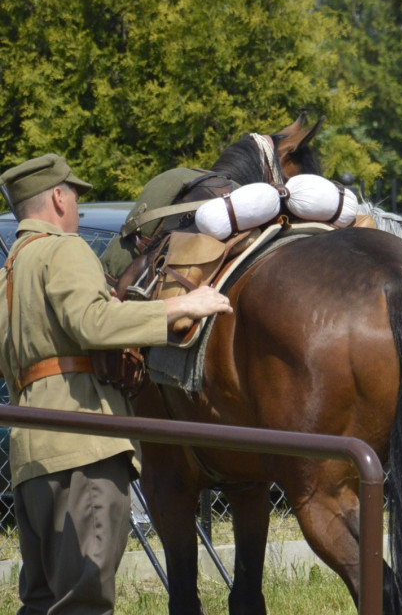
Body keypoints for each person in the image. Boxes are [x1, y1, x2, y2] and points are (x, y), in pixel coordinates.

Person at [0, 154, 233, 615]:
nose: (79, 210)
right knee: (84, 602)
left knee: (42, 601)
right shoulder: (64, 250)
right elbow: (92, 322)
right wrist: (182, 307)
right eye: (76, 198)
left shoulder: (11, 270)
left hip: (30, 454)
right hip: (83, 447)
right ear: (57, 197)